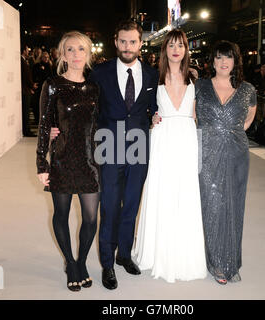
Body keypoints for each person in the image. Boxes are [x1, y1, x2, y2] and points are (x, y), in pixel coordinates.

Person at [51, 20, 159, 290]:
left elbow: (156, 106)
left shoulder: (152, 74)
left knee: (131, 204)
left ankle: (124, 254)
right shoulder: (100, 72)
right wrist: (57, 127)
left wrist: (157, 116)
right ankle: (107, 264)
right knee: (109, 207)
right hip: (108, 146)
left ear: (140, 43)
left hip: (139, 146)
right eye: (122, 41)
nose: (127, 46)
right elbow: (78, 102)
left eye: (132, 41)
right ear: (115, 41)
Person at [133, 29, 207, 283]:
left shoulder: (196, 79)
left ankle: (184, 254)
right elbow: (140, 108)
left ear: (187, 50)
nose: (176, 49)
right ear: (164, 49)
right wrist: (149, 117)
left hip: (186, 138)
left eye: (181, 45)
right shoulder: (154, 77)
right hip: (162, 138)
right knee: (161, 190)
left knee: (184, 192)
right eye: (171, 45)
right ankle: (156, 253)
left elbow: (199, 114)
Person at [36, 31, 100, 292]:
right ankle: (70, 264)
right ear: (62, 54)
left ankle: (82, 260)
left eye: (81, 49)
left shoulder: (95, 88)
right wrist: (42, 164)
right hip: (62, 158)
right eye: (70, 49)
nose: (76, 55)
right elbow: (43, 125)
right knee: (61, 215)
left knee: (91, 218)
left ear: (88, 54)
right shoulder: (53, 85)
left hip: (89, 161)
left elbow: (100, 124)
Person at [194, 40, 257, 284]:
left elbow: (248, 119)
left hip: (236, 153)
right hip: (206, 153)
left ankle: (231, 261)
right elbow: (191, 116)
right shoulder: (199, 86)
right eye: (219, 57)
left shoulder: (247, 89)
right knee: (211, 204)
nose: (223, 62)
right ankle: (216, 263)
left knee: (233, 205)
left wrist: (228, 132)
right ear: (212, 61)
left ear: (235, 61)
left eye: (228, 58)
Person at [32, 51, 53, 125]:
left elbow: (51, 76)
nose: (46, 59)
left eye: (47, 57)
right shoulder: (37, 65)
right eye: (45, 57)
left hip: (47, 88)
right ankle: (37, 119)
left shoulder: (49, 65)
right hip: (39, 87)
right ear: (41, 58)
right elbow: (34, 75)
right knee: (37, 104)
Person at [21, 44, 38, 137]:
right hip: (25, 90)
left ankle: (27, 129)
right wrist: (32, 85)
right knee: (25, 112)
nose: (28, 51)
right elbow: (26, 76)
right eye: (27, 50)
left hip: (26, 89)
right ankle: (26, 130)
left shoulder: (24, 61)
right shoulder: (22, 61)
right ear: (24, 51)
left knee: (26, 111)